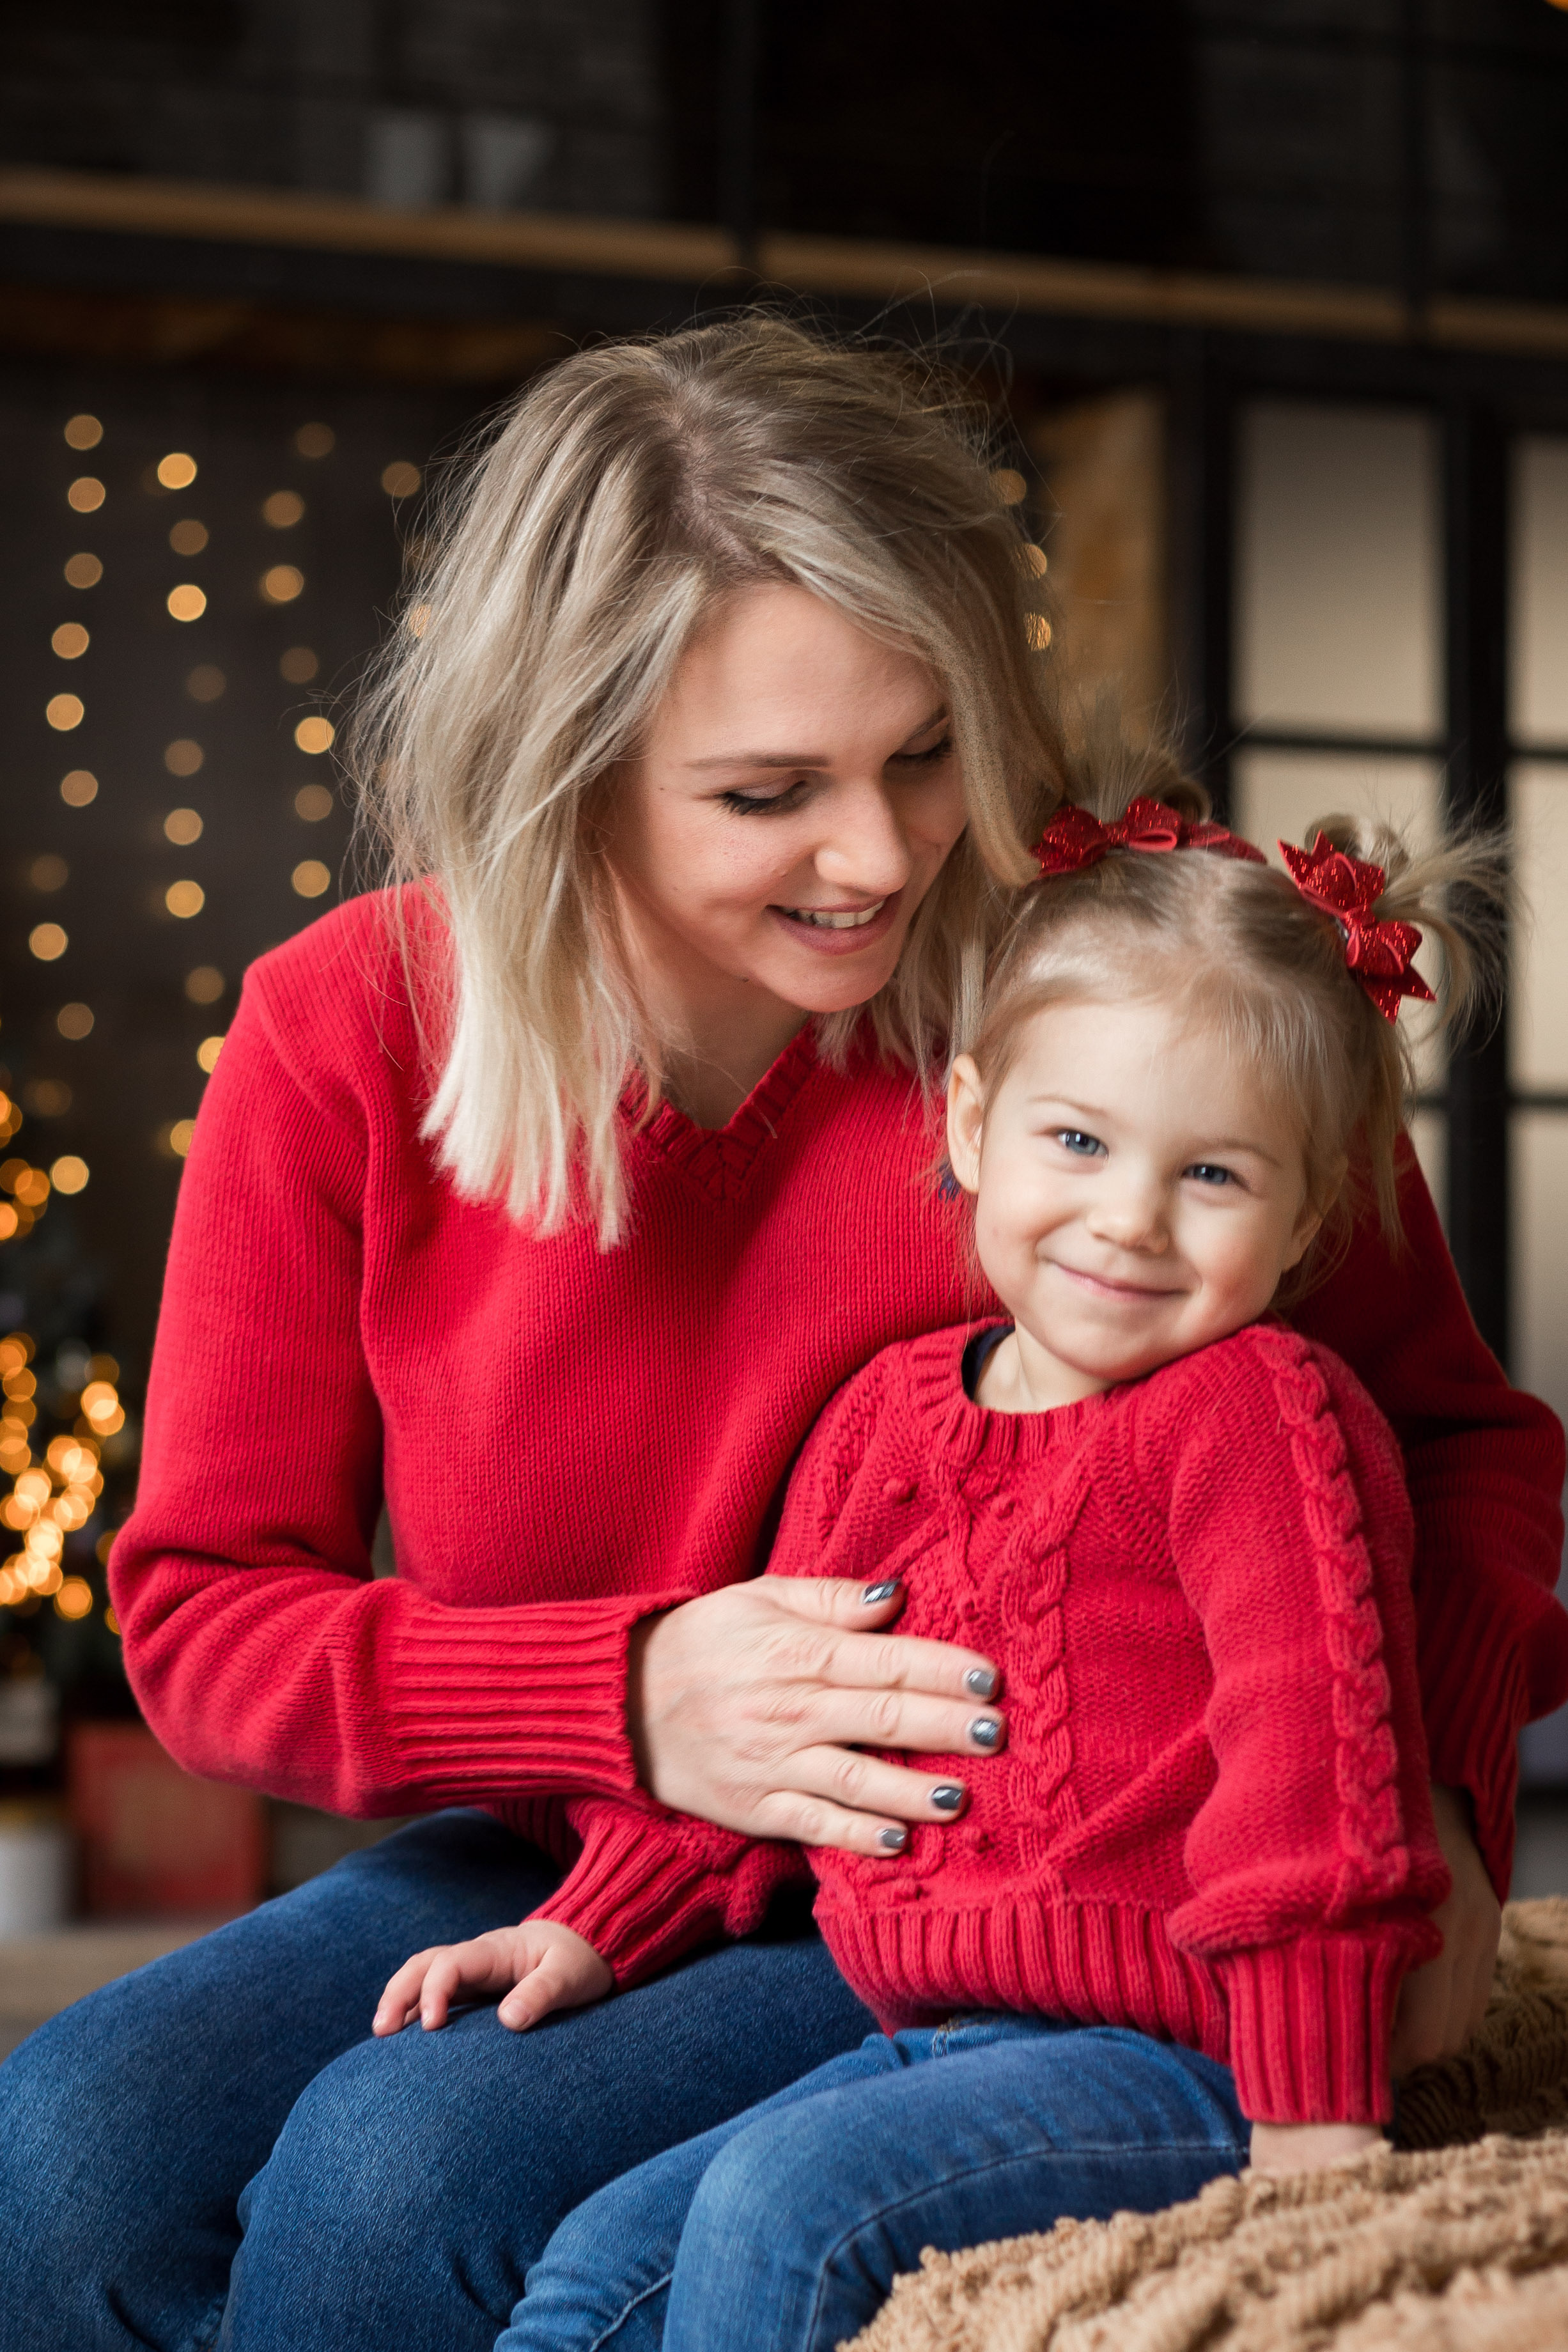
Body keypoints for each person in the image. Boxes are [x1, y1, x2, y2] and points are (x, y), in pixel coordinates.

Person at [0, 317, 1559, 2352]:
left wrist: (1429, 1802)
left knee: (397, 2187)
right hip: (605, 1830)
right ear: (558, 780)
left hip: (991, 1855)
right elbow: (205, 1618)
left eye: (924, 754)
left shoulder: (1099, 991)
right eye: (764, 793)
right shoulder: (346, 1031)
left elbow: (1456, 1440)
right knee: (60, 2157)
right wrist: (630, 1692)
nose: (885, 854)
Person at [376, 781, 1539, 2352]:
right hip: (928, 2031)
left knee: (781, 2208)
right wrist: (588, 1924)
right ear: (976, 1121)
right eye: (1078, 1139)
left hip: (1167, 2051)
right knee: (596, 2265)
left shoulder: (1262, 1414)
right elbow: (792, 1744)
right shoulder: (886, 1416)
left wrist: (1315, 2117)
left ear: (1311, 1213)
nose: (1127, 1218)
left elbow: (1312, 1781)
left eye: (1214, 1176)